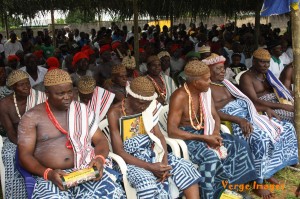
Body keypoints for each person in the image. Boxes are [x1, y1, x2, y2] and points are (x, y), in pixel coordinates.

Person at [17, 69, 125, 198]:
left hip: (86, 169)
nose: (67, 97)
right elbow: (25, 155)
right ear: (47, 93)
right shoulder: (32, 117)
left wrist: (99, 159)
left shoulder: (82, 110)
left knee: (111, 193)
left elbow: (101, 140)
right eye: (60, 93)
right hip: (51, 176)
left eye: (69, 92)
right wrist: (48, 173)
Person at [208, 54, 298, 198]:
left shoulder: (227, 84)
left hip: (250, 115)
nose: (222, 71)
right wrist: (238, 119)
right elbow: (211, 111)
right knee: (260, 139)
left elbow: (248, 100)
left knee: (286, 128)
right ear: (208, 71)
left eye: (223, 68)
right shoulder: (206, 88)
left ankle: (268, 170)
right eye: (218, 69)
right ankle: (258, 181)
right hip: (233, 121)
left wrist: (265, 109)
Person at [167, 60, 257, 199]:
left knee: (238, 144)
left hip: (207, 131)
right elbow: (172, 131)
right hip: (188, 138)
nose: (210, 81)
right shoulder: (179, 97)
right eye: (207, 79)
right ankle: (211, 195)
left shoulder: (205, 91)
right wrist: (204, 138)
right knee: (210, 156)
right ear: (196, 83)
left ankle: (230, 187)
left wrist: (215, 134)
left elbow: (215, 116)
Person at [107, 76, 202, 198]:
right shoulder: (115, 112)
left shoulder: (150, 107)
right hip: (129, 161)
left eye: (146, 104)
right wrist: (150, 167)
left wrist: (164, 164)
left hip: (153, 153)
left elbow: (160, 137)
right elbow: (119, 151)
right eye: (140, 103)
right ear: (129, 96)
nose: (143, 107)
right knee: (147, 182)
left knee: (186, 167)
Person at [0, 70, 46, 198]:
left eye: (27, 83)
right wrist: (25, 145)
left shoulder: (39, 97)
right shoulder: (4, 104)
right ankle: (18, 193)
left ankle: (45, 188)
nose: (27, 87)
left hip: (41, 136)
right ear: (13, 87)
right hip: (17, 139)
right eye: (22, 85)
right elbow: (10, 131)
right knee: (9, 154)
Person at [239, 48, 294, 123]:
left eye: (268, 62)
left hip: (278, 102)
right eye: (262, 62)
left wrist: (294, 94)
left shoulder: (267, 74)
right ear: (254, 61)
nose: (266, 65)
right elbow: (255, 101)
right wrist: (282, 106)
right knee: (295, 115)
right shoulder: (246, 78)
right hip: (262, 109)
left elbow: (281, 90)